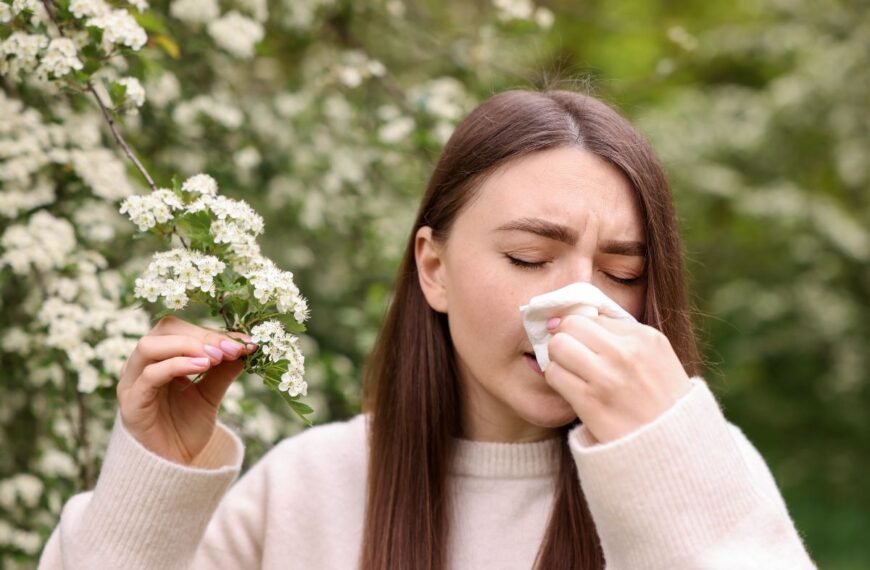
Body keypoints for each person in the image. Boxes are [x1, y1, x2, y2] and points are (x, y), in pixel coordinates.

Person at [38, 89, 818, 569]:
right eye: (528, 255)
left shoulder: (700, 473)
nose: (581, 302)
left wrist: (665, 454)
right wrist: (152, 482)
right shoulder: (310, 488)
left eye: (621, 273)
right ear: (433, 267)